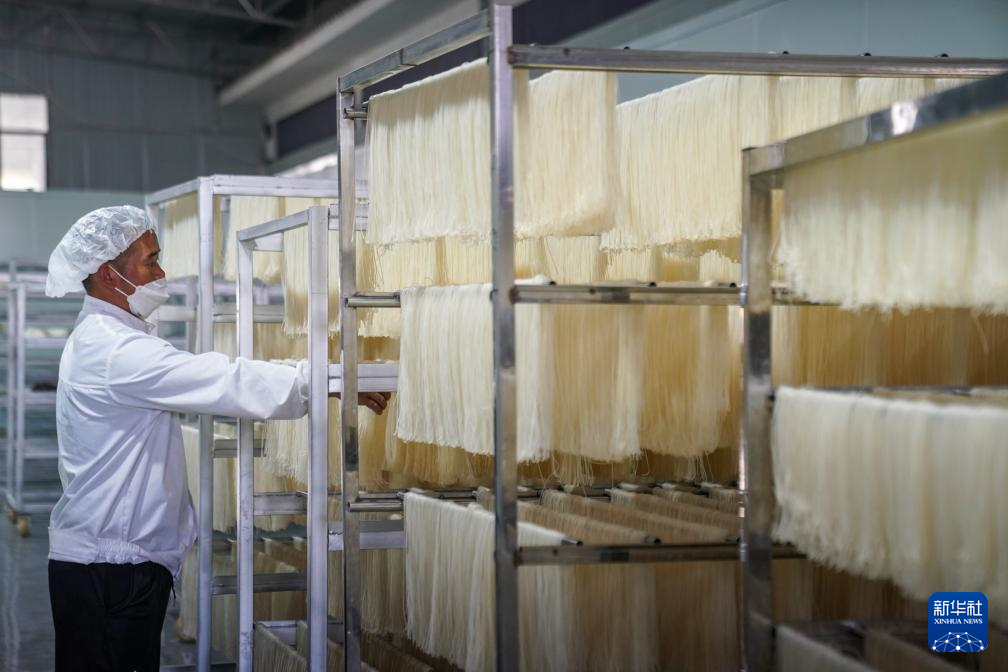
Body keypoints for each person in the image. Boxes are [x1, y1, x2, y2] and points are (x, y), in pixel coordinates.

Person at [43, 205, 387, 671]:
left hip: (112, 564)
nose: (161, 273)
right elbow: (223, 379)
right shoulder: (113, 350)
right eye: (150, 261)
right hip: (110, 570)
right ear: (108, 274)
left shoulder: (106, 338)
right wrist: (325, 379)